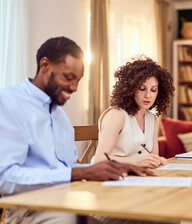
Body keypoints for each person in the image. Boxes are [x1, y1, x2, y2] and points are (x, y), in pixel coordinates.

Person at [0, 37, 154, 224]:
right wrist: (81, 173)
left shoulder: (59, 117)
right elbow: (5, 178)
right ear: (45, 65)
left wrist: (113, 168)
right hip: (30, 211)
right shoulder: (8, 103)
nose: (74, 88)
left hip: (69, 201)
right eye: (68, 78)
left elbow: (68, 168)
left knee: (152, 215)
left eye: (78, 81)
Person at [92, 56, 175, 168]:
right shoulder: (117, 115)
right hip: (111, 176)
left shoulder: (153, 119)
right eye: (142, 88)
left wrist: (158, 160)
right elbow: (99, 159)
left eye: (153, 90)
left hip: (139, 177)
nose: (148, 95)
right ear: (130, 88)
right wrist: (136, 162)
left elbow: (153, 158)